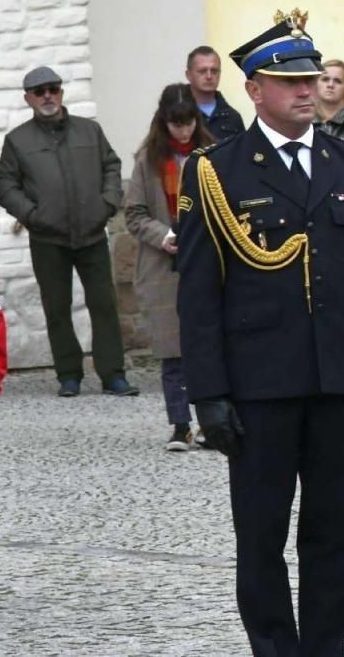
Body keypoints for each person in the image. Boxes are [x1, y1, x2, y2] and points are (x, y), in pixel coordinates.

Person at [177, 11, 344, 656]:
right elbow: (197, 295)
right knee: (260, 537)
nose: (307, 90)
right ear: (254, 90)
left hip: (341, 378)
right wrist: (209, 394)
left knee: (334, 536)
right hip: (261, 385)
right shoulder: (217, 172)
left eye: (311, 78)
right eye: (289, 81)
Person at [0, 66, 138, 398]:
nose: (48, 96)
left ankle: (112, 373)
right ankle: (69, 374)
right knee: (56, 306)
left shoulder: (90, 131)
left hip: (91, 232)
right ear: (28, 98)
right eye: (40, 91)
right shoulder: (18, 140)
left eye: (53, 89)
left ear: (61, 92)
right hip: (47, 238)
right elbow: (6, 185)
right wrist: (32, 214)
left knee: (103, 303)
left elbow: (112, 166)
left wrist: (107, 203)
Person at [124, 84, 214, 450]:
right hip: (163, 266)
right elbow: (134, 213)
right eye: (176, 124)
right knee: (172, 353)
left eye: (189, 122)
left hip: (205, 261)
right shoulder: (148, 161)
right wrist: (163, 235)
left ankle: (211, 421)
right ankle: (180, 425)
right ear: (164, 122)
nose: (184, 130)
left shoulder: (211, 153)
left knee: (207, 348)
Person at [187, 45, 247, 140]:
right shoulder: (173, 113)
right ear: (188, 75)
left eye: (214, 71)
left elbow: (243, 153)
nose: (209, 76)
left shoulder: (232, 118)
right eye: (202, 71)